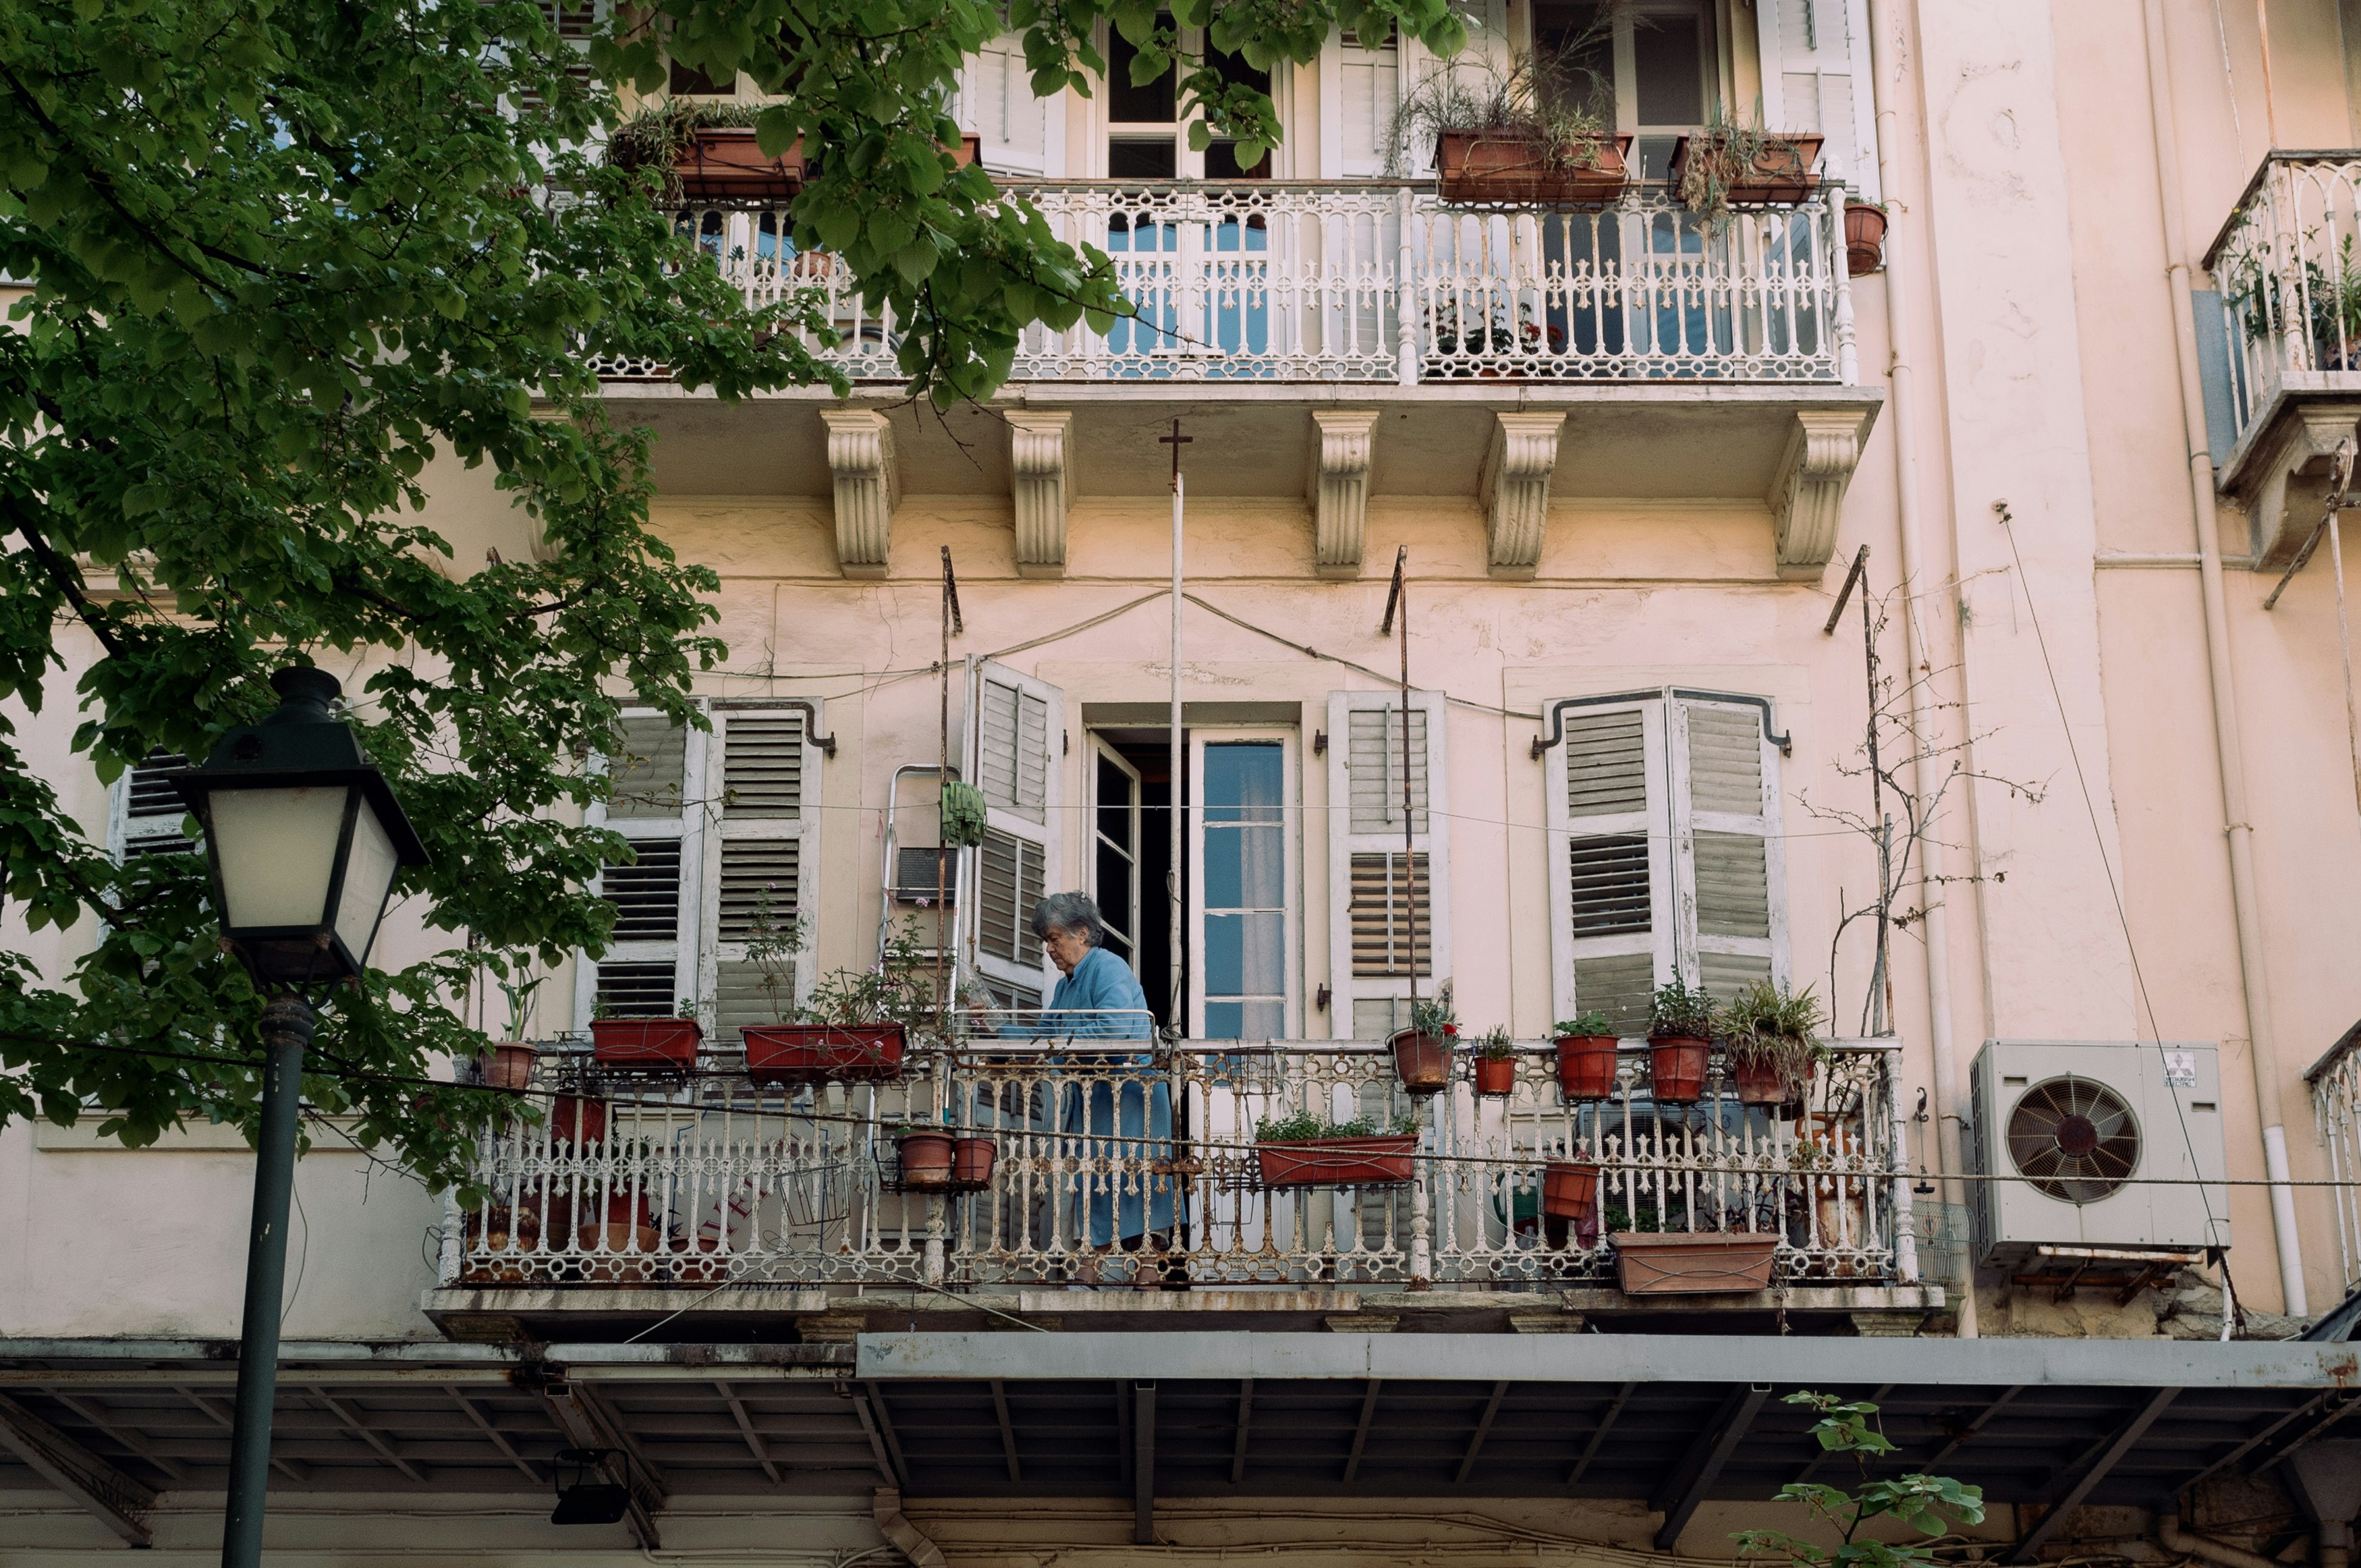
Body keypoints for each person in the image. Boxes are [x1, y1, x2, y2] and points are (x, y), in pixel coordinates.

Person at [986, 893, 1172, 1287]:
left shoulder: (1108, 967)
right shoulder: (1065, 987)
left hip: (1132, 1094)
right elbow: (1044, 1035)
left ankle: (1148, 1275)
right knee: (1093, 1179)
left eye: (1054, 938)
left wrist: (1056, 1045)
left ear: (1082, 932)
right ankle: (1089, 1270)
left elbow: (1114, 1029)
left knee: (1138, 1177)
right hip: (1095, 1097)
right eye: (1046, 941)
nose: (1049, 948)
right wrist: (997, 1031)